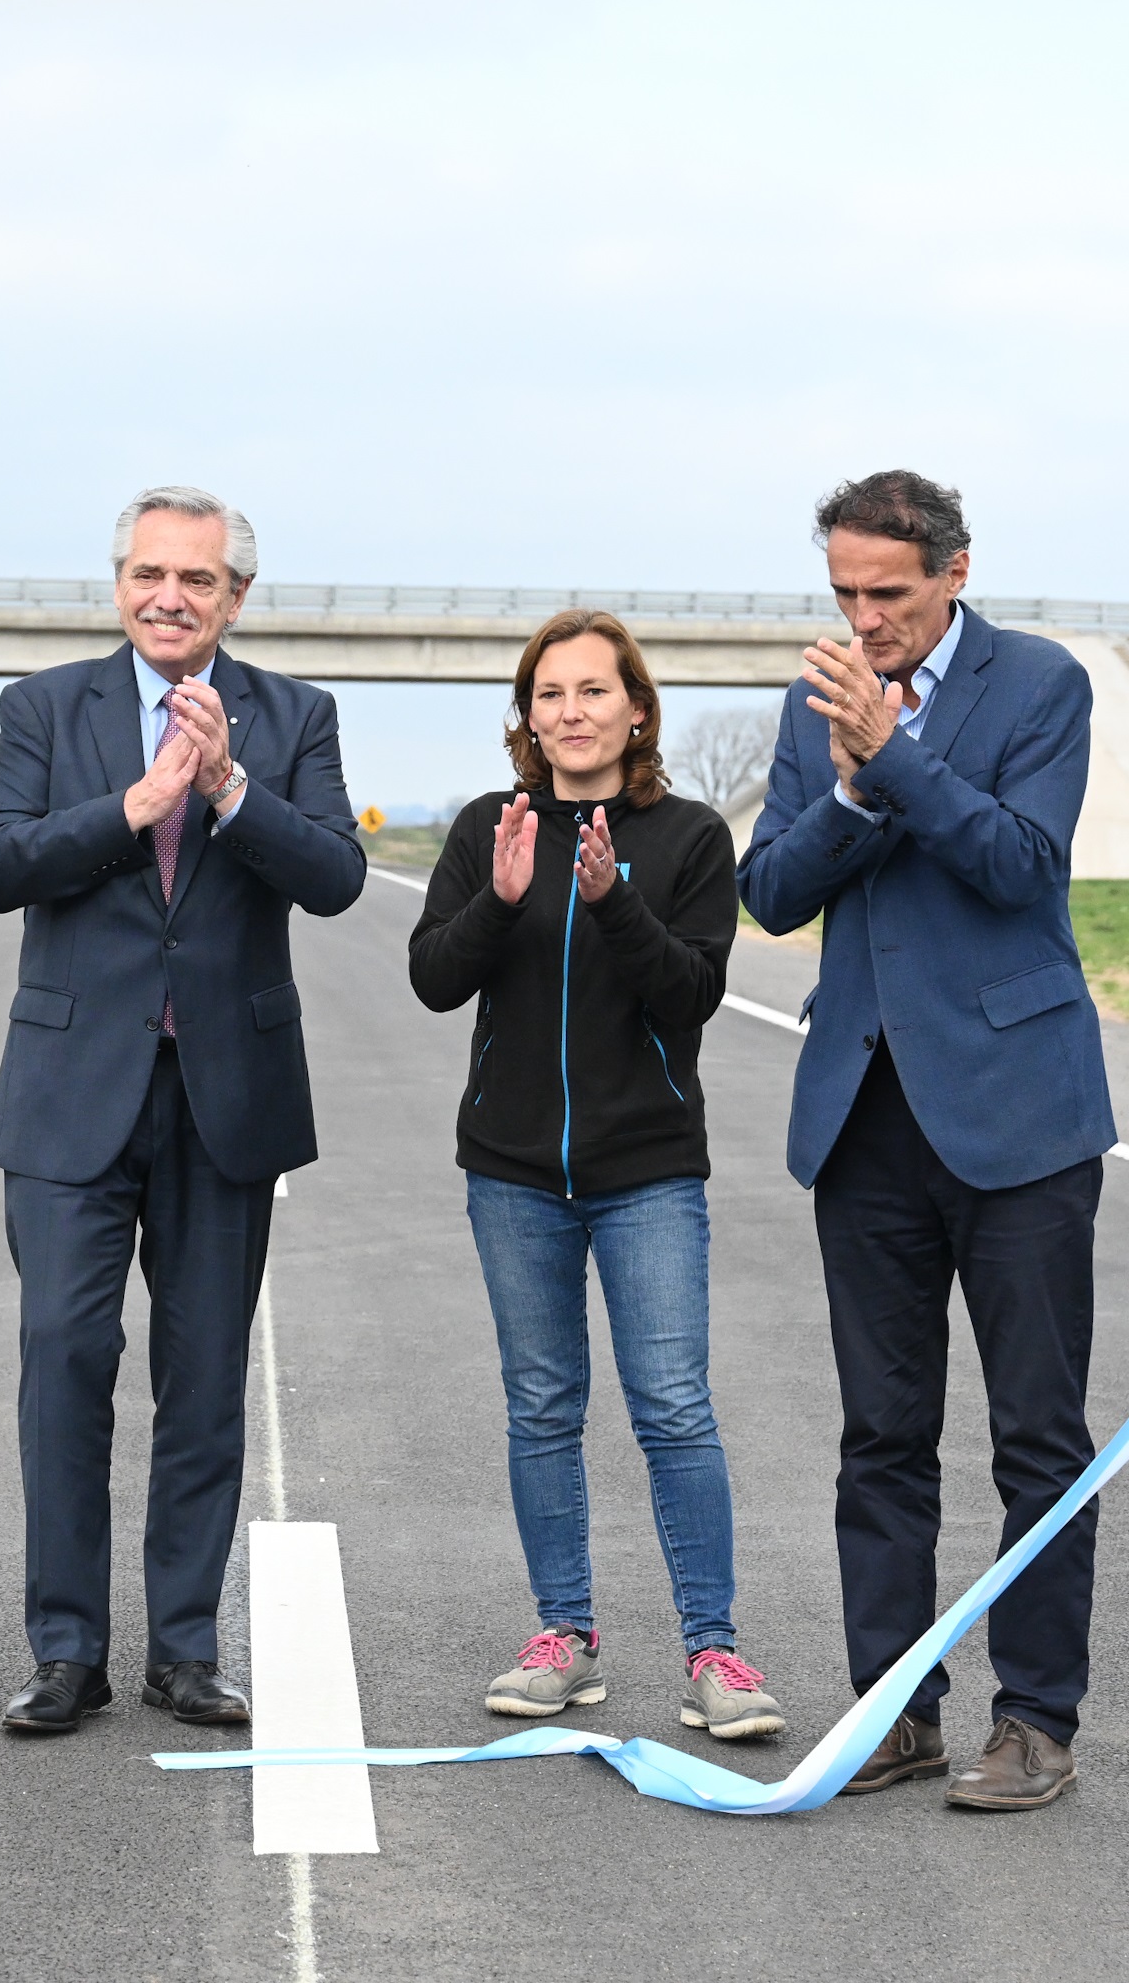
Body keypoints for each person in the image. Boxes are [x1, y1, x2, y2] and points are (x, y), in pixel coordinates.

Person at [737, 471, 1114, 1813]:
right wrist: (845, 791)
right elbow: (771, 892)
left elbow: (1019, 862)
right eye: (843, 593)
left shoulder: (1042, 686)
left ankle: (1036, 1721)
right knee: (882, 1435)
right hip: (867, 1116)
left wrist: (894, 757)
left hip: (1020, 1119)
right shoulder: (815, 702)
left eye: (887, 594)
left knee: (1036, 1438)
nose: (863, 618)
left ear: (955, 573)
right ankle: (894, 1707)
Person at [0, 485, 366, 1735]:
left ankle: (184, 1647)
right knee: (65, 1362)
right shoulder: (46, 709)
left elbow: (339, 877)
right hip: (72, 1096)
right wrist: (129, 810)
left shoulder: (296, 716)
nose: (168, 597)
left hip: (223, 1097)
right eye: (149, 573)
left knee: (202, 1381)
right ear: (120, 581)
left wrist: (235, 791)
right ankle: (66, 1649)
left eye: (196, 580)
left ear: (236, 595)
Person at [408, 611, 780, 1739]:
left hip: (647, 1170)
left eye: (591, 691)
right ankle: (561, 1635)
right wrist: (503, 899)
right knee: (542, 1404)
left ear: (636, 709)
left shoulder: (690, 837)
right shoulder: (488, 828)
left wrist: (614, 896)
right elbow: (433, 977)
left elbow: (690, 995)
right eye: (549, 693)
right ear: (527, 715)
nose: (570, 712)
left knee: (673, 1407)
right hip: (514, 1172)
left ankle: (714, 1650)